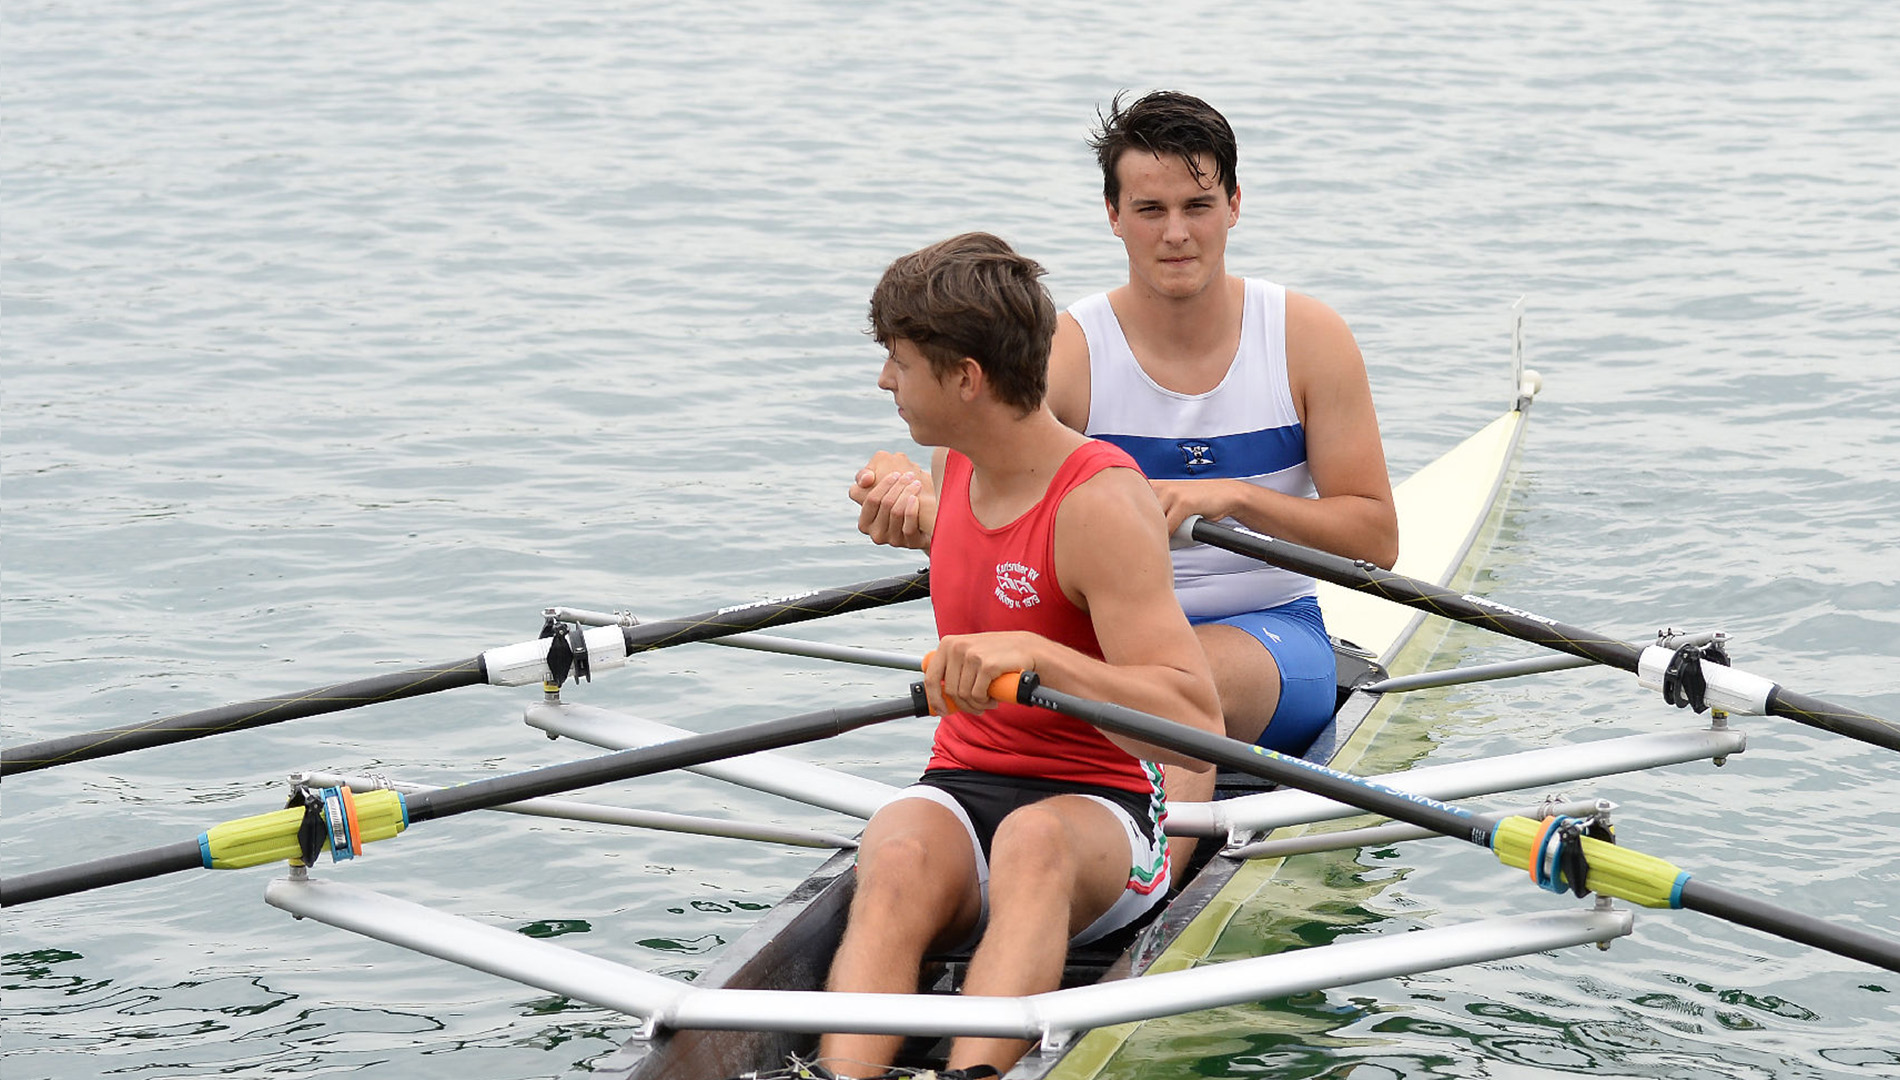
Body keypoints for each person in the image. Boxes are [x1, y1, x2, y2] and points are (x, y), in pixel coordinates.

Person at [856, 91, 1398, 869]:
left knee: (1171, 688)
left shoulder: (1307, 339)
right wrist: (907, 496)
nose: (1176, 234)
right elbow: (973, 497)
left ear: (1234, 205)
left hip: (1271, 637)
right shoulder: (1070, 351)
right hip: (1098, 646)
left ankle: (1150, 892)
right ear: (1113, 215)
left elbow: (1376, 538)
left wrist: (1232, 497)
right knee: (1097, 686)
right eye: (1149, 209)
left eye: (1197, 206)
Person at [824, 232, 1222, 1079]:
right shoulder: (954, 463)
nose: (885, 380)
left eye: (900, 362)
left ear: (967, 378)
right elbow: (997, 554)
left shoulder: (1100, 504)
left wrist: (1043, 657)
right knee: (894, 844)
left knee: (1033, 843)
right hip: (962, 783)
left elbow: (1196, 725)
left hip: (1101, 810)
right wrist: (897, 499)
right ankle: (839, 1073)